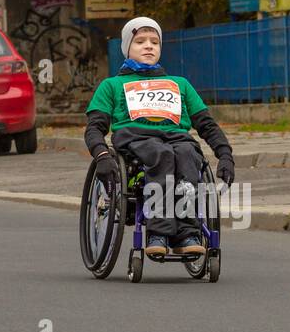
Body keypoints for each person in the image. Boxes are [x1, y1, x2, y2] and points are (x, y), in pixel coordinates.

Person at [84, 16, 235, 258]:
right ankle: (159, 233)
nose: (148, 46)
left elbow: (206, 124)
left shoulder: (179, 84)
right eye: (140, 41)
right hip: (135, 139)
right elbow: (94, 127)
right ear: (126, 48)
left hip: (178, 138)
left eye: (155, 42)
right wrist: (101, 154)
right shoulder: (112, 85)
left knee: (187, 154)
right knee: (161, 155)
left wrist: (225, 155)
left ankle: (187, 233)